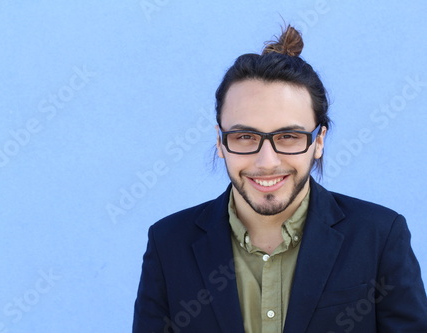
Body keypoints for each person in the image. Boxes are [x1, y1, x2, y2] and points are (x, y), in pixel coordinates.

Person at [132, 25, 427, 333]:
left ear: (319, 140)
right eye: (245, 136)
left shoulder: (379, 235)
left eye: (288, 136)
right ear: (220, 142)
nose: (267, 162)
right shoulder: (168, 243)